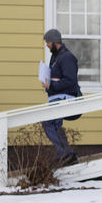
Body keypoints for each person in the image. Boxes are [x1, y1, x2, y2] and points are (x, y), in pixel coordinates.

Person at [41, 29, 81, 165]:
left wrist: (51, 85)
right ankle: (67, 154)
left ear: (54, 42)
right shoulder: (55, 57)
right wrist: (48, 85)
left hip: (66, 97)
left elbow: (70, 81)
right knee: (55, 125)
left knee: (48, 123)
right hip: (56, 97)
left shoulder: (67, 57)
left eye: (48, 42)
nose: (46, 45)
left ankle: (63, 153)